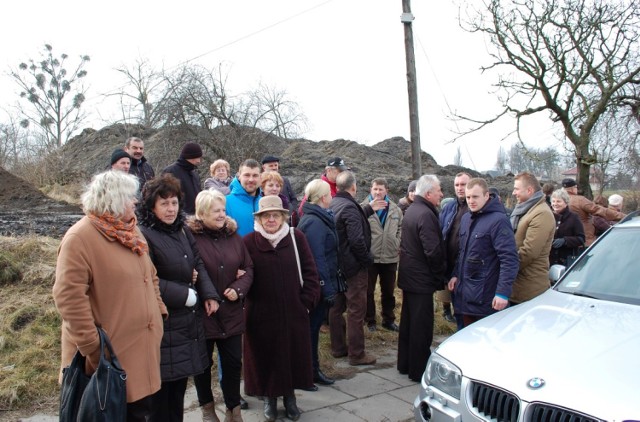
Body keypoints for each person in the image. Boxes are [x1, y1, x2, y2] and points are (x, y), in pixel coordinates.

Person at [52, 170, 166, 421]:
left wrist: (158, 312)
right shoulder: (80, 238)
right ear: (112, 200)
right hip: (108, 360)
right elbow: (68, 299)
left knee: (141, 412)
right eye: (129, 197)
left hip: (141, 351)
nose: (135, 202)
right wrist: (94, 350)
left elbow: (151, 275)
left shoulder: (132, 232)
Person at [137, 173, 221, 422]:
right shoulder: (144, 235)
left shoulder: (182, 231)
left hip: (186, 324)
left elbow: (198, 263)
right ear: (151, 206)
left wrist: (208, 293)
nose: (171, 208)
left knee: (178, 395)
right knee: (161, 399)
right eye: (164, 203)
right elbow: (145, 278)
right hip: (164, 324)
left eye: (174, 202)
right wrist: (186, 294)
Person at [242, 196, 320, 422]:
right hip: (260, 314)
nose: (271, 219)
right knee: (265, 356)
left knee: (292, 356)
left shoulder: (297, 238)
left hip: (293, 312)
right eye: (266, 215)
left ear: (284, 217)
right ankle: (269, 397)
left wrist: (305, 302)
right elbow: (242, 274)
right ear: (259, 218)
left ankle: (289, 398)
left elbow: (310, 272)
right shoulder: (248, 242)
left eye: (276, 215)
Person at [188, 190, 254, 422]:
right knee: (203, 366)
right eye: (216, 211)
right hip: (203, 313)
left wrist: (238, 288)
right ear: (202, 213)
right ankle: (207, 410)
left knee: (234, 363)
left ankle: (233, 411)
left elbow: (249, 268)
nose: (221, 215)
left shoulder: (233, 236)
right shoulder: (190, 237)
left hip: (231, 311)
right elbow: (191, 270)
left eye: (223, 210)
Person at [329, 171, 385, 366]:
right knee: (355, 310)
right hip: (353, 268)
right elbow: (356, 240)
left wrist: (368, 208)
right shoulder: (350, 208)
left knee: (336, 308)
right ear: (353, 187)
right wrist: (367, 260)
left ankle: (338, 349)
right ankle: (357, 354)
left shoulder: (334, 203)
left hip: (337, 266)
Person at [447, 178, 519, 327]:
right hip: (464, 295)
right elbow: (463, 252)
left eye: (475, 197)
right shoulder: (466, 218)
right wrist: (455, 274)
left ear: (486, 196)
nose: (471, 201)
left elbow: (509, 259)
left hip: (485, 297)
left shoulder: (498, 221)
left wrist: (502, 293)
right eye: (468, 197)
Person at [397, 174, 447, 382]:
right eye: (438, 191)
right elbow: (433, 251)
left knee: (409, 323)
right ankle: (418, 370)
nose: (441, 194)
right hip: (421, 279)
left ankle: (405, 364)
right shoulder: (426, 214)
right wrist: (440, 275)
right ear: (428, 193)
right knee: (421, 326)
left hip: (410, 276)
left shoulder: (412, 209)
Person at [297, 179, 339, 388]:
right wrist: (327, 288)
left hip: (320, 284)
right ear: (323, 197)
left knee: (311, 330)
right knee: (311, 331)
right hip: (316, 287)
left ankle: (311, 370)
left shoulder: (318, 217)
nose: (332, 196)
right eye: (330, 194)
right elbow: (317, 258)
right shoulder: (314, 221)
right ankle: (309, 372)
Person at [361, 177, 403, 332]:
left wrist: (397, 241)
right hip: (370, 257)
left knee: (389, 291)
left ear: (387, 190)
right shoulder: (363, 207)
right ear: (371, 190)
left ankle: (388, 319)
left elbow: (400, 227)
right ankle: (370, 320)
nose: (377, 192)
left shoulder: (395, 209)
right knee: (368, 291)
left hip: (390, 256)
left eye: (381, 189)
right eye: (375, 189)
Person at [509, 172, 555, 305]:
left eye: (517, 189)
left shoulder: (541, 214)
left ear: (529, 190)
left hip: (529, 288)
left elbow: (529, 252)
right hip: (517, 284)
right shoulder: (525, 209)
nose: (513, 193)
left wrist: (505, 268)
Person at [439, 172, 471, 327]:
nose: (460, 188)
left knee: (466, 312)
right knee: (456, 307)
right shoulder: (450, 207)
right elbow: (441, 232)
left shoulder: (475, 207)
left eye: (463, 184)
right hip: (449, 265)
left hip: (468, 268)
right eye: (457, 185)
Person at [563, 178, 625, 246]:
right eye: (576, 187)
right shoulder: (580, 200)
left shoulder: (557, 200)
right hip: (584, 239)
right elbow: (599, 210)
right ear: (573, 188)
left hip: (564, 239)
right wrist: (623, 216)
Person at [162, 142, 204, 215]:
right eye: (198, 157)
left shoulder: (194, 174)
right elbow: (165, 197)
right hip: (178, 218)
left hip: (196, 217)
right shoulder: (170, 172)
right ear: (191, 156)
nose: (199, 161)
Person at [549, 189, 585, 267]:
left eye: (558, 201)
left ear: (565, 203)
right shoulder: (547, 216)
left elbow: (581, 239)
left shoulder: (573, 218)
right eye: (553, 201)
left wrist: (565, 240)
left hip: (565, 261)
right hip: (548, 260)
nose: (555, 204)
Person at [226, 159, 261, 236]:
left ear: (260, 177)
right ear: (239, 176)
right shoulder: (225, 203)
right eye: (247, 175)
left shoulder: (264, 203)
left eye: (255, 175)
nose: (251, 179)